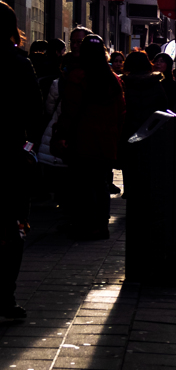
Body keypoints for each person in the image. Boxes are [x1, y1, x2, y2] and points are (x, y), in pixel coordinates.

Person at [52, 34, 125, 239]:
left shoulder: (78, 77)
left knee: (83, 183)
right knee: (101, 183)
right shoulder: (113, 80)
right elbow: (121, 112)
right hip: (106, 142)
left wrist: (61, 134)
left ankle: (84, 224)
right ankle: (101, 225)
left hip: (83, 139)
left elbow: (70, 110)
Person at [1, 1, 43, 318]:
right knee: (11, 225)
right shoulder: (19, 63)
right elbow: (35, 112)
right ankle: (5, 296)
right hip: (8, 156)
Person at [120, 51, 169, 199]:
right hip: (150, 129)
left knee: (129, 163)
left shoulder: (123, 83)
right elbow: (163, 106)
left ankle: (128, 190)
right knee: (147, 161)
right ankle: (146, 190)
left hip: (128, 128)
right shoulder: (155, 83)